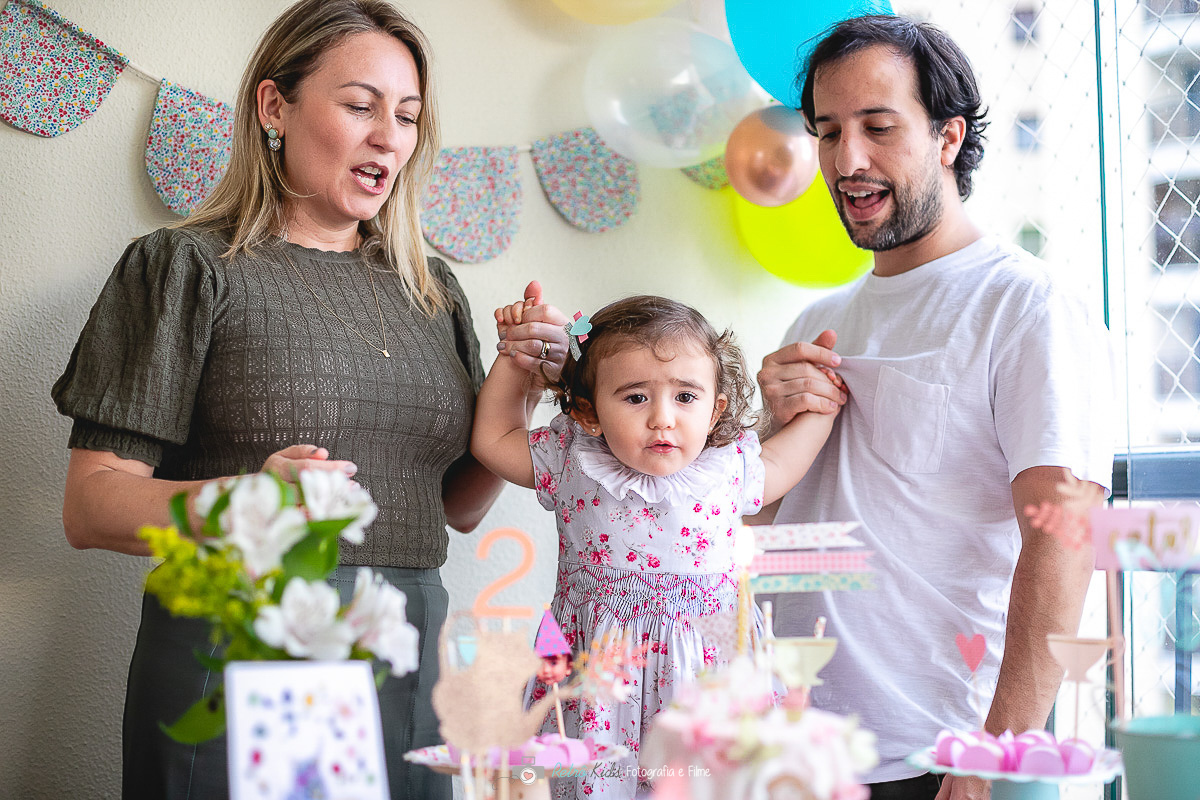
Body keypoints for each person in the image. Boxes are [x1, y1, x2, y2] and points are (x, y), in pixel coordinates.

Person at [50, 2, 566, 798]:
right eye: (360, 106)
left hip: (412, 650)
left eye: (407, 117)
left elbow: (455, 508)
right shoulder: (187, 266)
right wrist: (248, 503)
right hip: (253, 640)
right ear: (274, 107)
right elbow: (90, 508)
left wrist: (518, 390)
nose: (389, 137)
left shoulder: (431, 289)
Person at [754, 15, 1115, 800]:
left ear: (949, 137)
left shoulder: (1025, 307)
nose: (847, 160)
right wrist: (768, 433)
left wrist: (996, 753)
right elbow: (754, 535)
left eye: (878, 127)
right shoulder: (814, 323)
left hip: (937, 759)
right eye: (828, 132)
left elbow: (1064, 540)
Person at [472, 294, 839, 798]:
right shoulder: (570, 458)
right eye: (635, 398)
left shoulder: (729, 469)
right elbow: (493, 440)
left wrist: (823, 407)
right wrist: (517, 359)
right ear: (588, 412)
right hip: (600, 687)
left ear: (715, 410)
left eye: (686, 397)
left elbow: (785, 460)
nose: (663, 418)